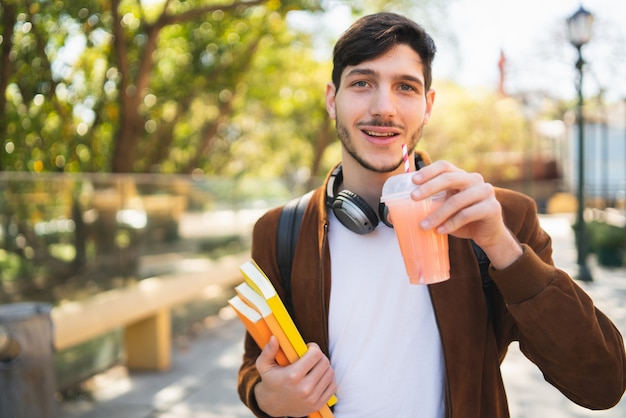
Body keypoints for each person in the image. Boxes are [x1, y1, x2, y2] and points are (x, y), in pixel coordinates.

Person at [237, 12, 626, 417]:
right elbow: (257, 363)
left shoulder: (503, 219)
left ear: (428, 106)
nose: (383, 107)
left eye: (405, 87)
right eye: (362, 83)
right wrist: (266, 397)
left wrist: (501, 247)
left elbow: (602, 383)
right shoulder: (279, 230)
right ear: (333, 99)